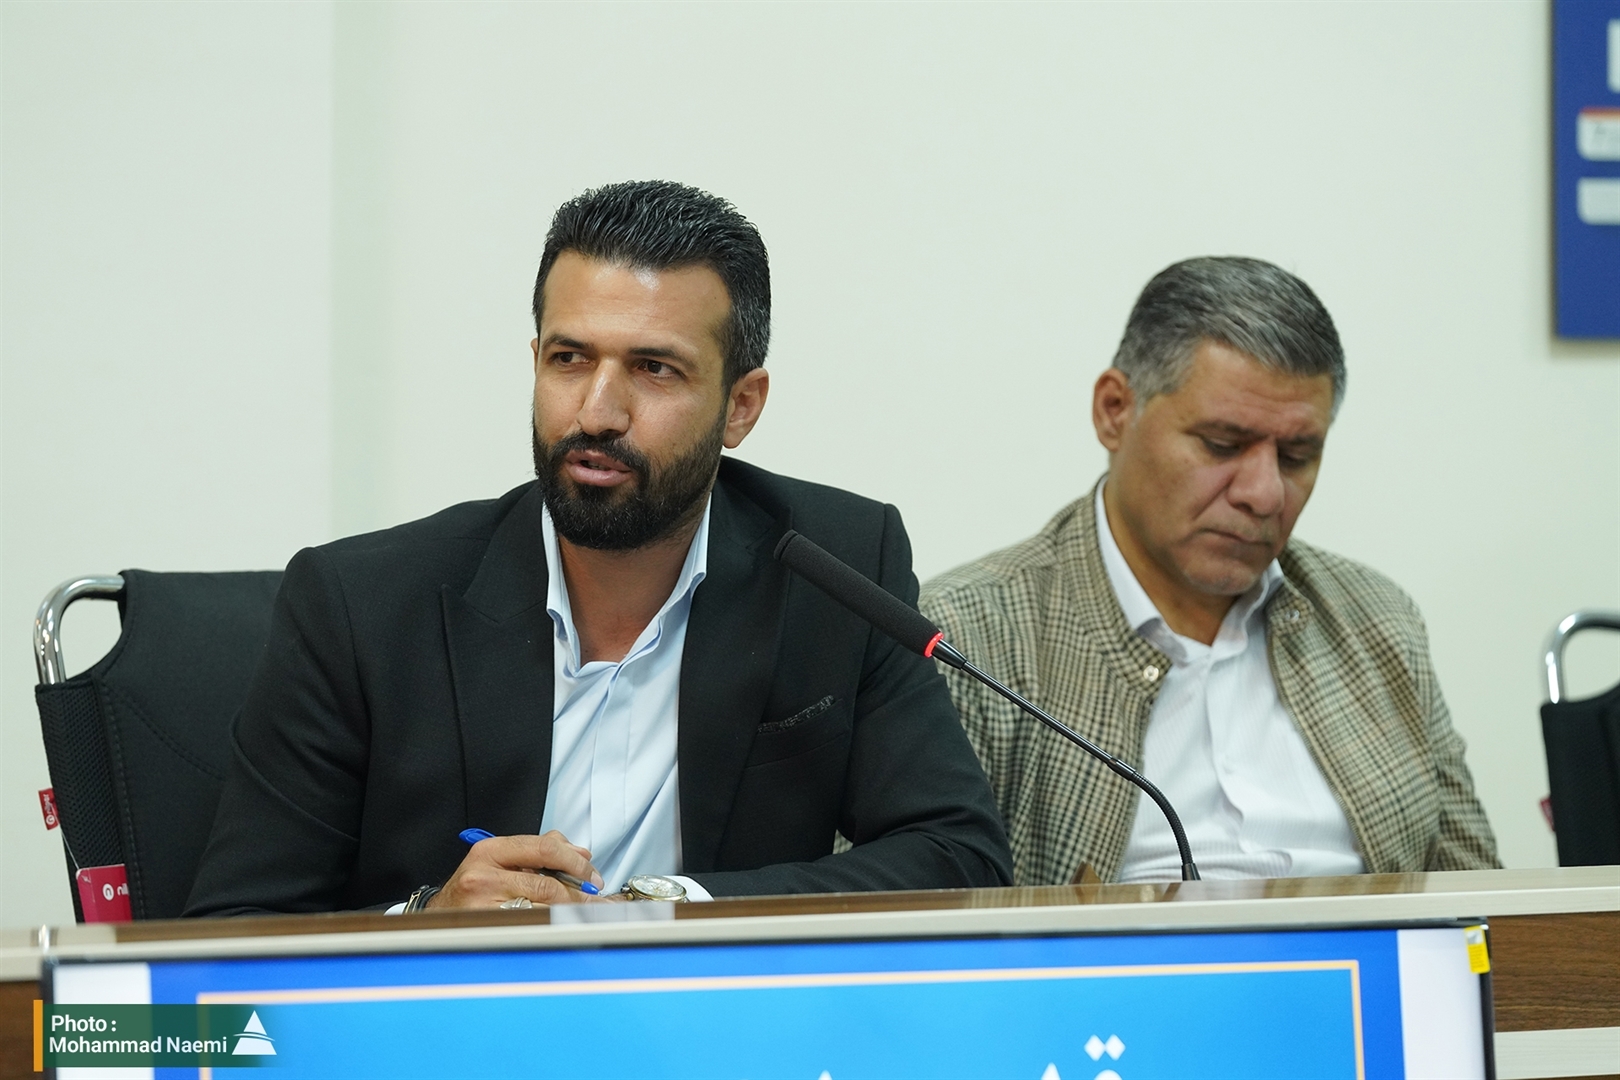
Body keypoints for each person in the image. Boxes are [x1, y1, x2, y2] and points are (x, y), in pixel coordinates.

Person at [186, 181, 1011, 915]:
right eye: (569, 359)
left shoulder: (836, 565)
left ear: (741, 406)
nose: (597, 412)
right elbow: (228, 940)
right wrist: (426, 923)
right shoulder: (358, 605)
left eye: (654, 368)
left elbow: (956, 856)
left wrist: (671, 909)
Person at [920, 257, 1498, 886]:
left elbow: (1484, 901)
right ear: (1115, 410)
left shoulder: (1376, 620)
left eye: (1297, 456)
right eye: (1223, 445)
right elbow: (909, 920)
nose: (1264, 494)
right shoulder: (966, 638)